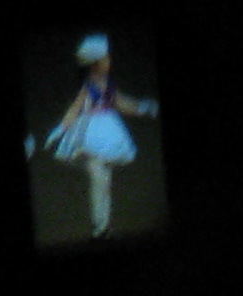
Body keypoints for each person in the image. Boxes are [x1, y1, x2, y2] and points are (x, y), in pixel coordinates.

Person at [39, 33, 158, 239]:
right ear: (96, 63)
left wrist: (142, 107)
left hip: (108, 133)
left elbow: (120, 102)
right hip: (90, 135)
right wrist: (59, 130)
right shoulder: (89, 87)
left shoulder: (107, 84)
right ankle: (100, 227)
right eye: (105, 58)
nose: (109, 61)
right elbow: (75, 109)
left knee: (104, 180)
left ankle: (103, 225)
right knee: (98, 177)